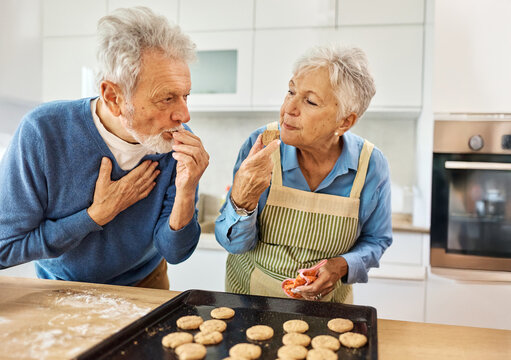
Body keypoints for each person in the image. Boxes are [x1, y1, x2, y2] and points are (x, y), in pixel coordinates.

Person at [0, 7, 209, 289]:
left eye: (185, 95)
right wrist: (94, 216)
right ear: (113, 97)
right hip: (61, 288)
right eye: (167, 98)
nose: (184, 115)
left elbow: (175, 252)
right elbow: (5, 248)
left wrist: (187, 190)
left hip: (147, 282)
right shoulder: (43, 133)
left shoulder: (176, 145)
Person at [215, 44, 392, 303]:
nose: (289, 108)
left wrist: (342, 265)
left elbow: (377, 240)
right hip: (250, 304)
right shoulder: (262, 146)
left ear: (344, 121)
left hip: (329, 311)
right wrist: (242, 203)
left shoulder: (371, 166)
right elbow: (233, 244)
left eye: (309, 101)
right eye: (291, 91)